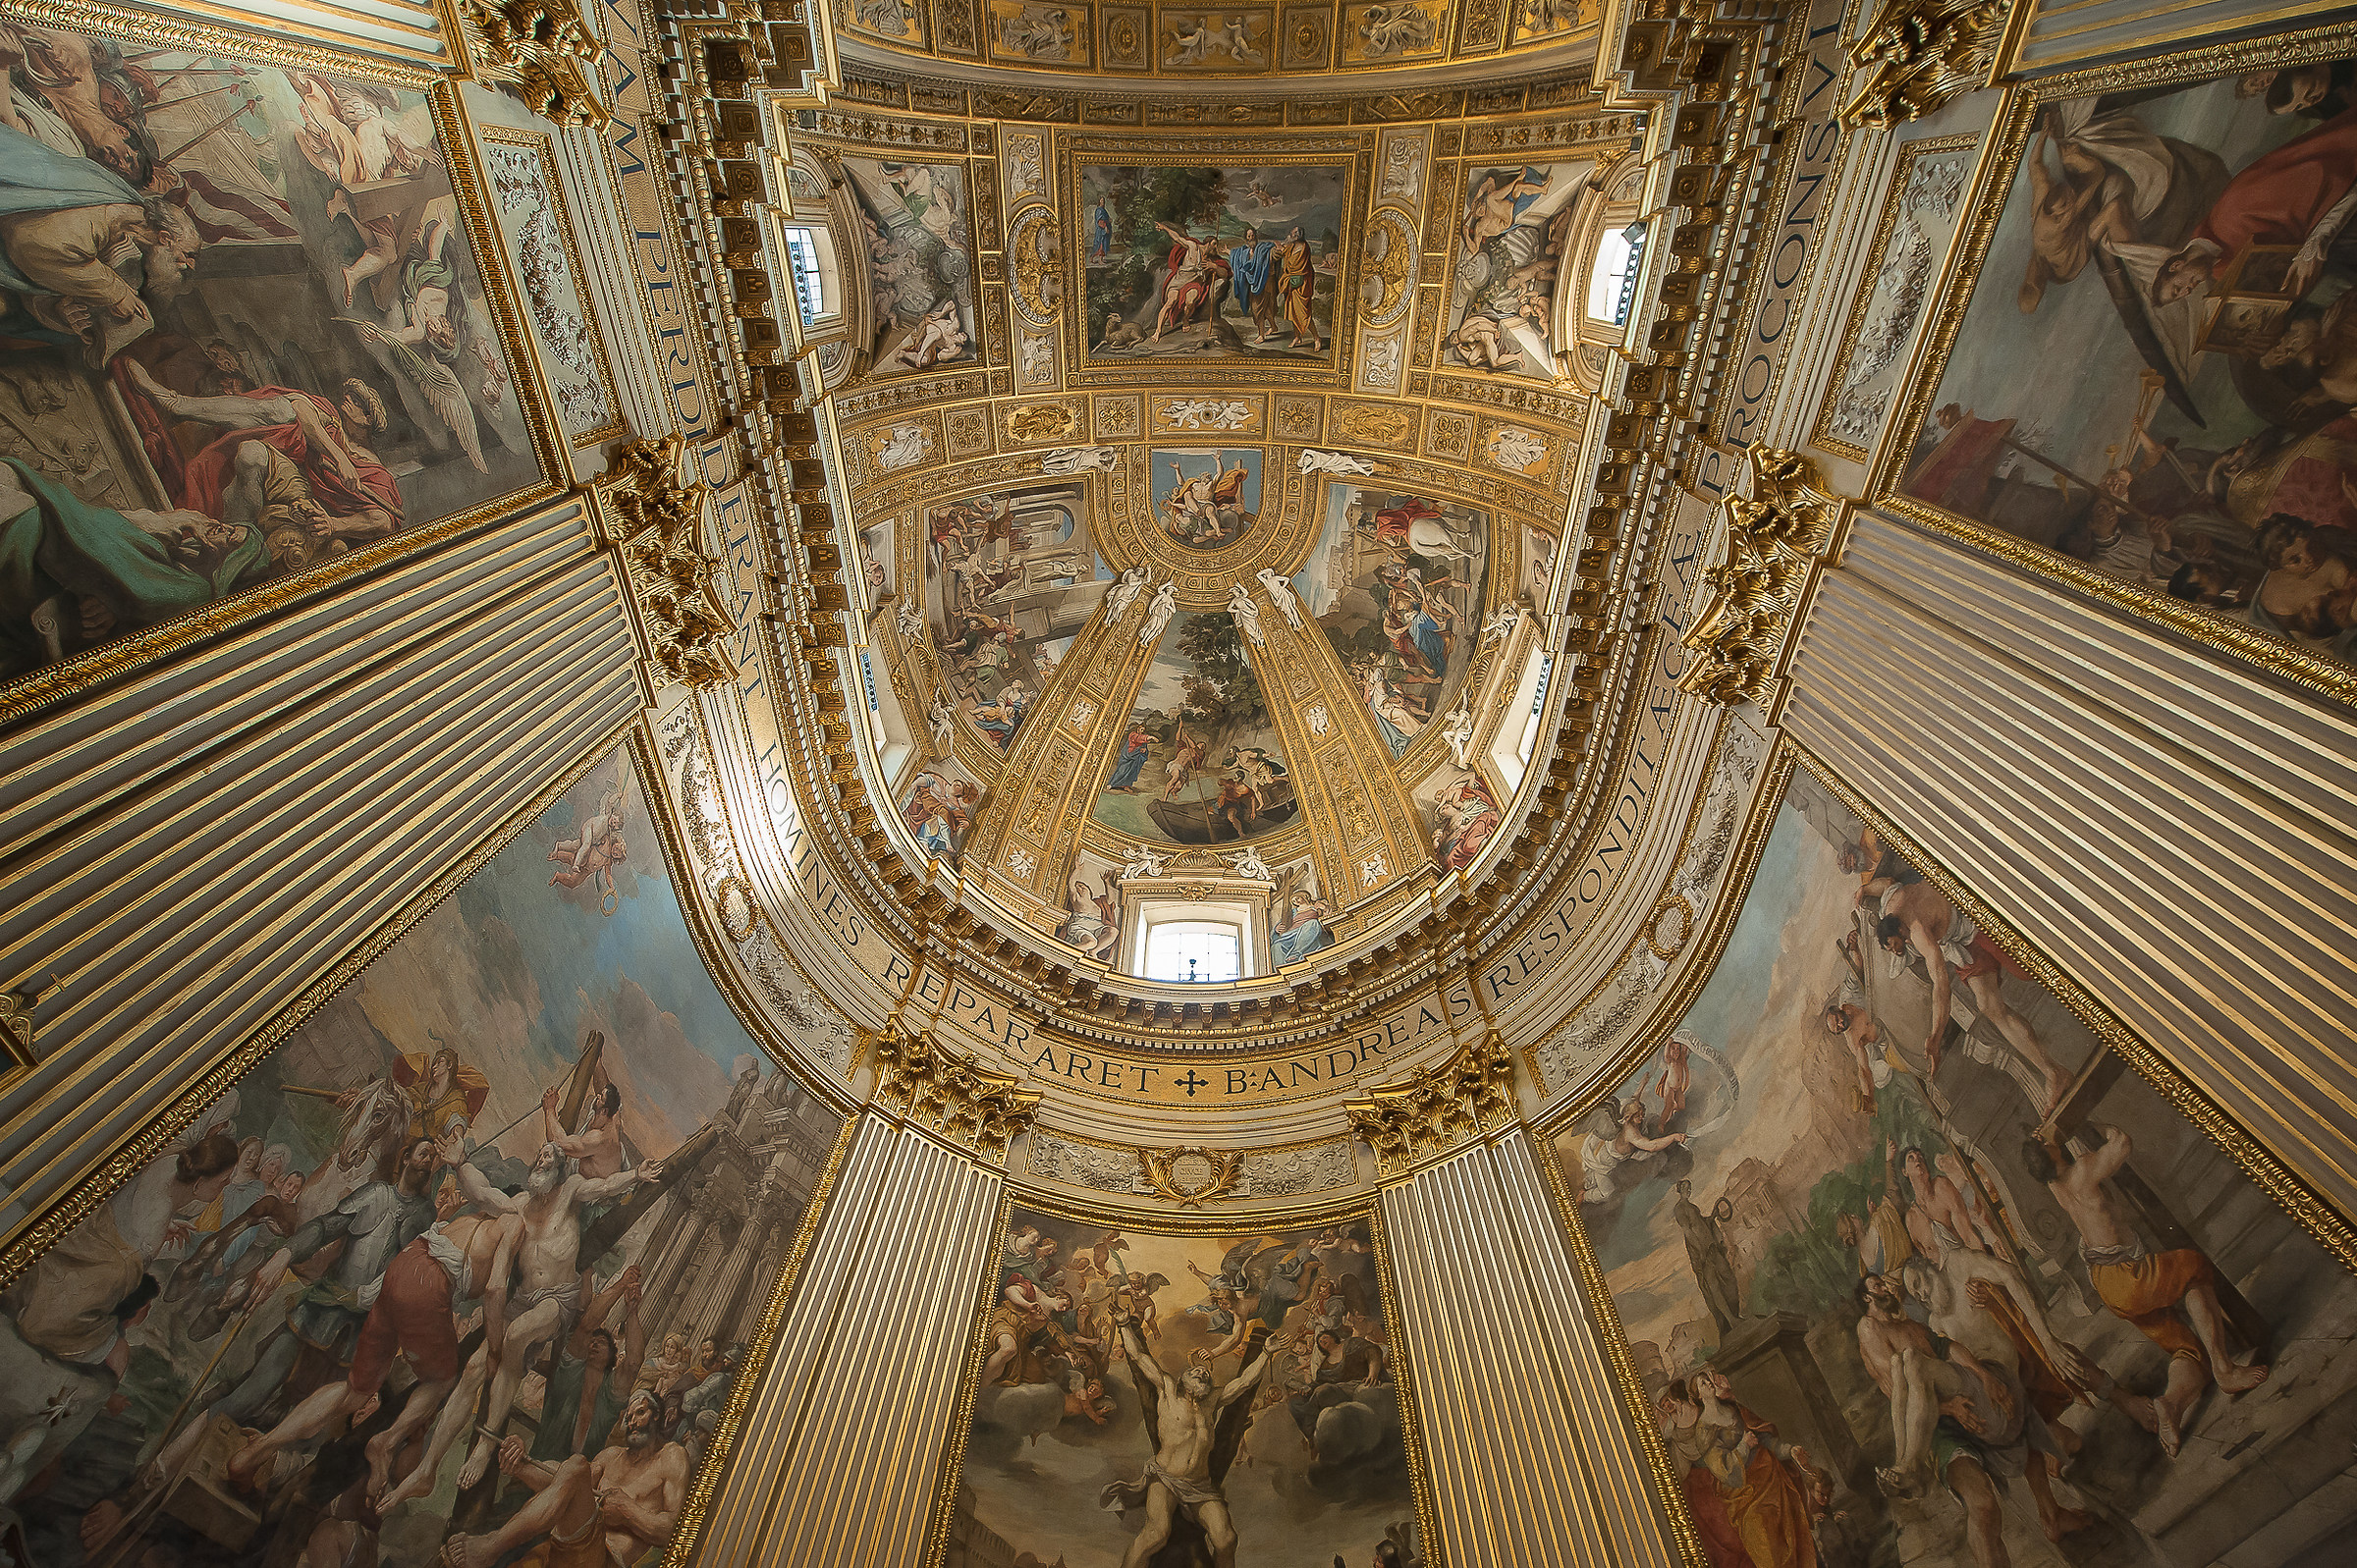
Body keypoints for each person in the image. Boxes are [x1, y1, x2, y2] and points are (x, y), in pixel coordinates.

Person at [375, 1134, 662, 1507]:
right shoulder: (521, 1204)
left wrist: (636, 1175)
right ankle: (426, 1471)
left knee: (516, 1336)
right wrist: (461, 1164)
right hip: (523, 1298)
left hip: (557, 1299)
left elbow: (605, 1186)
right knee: (473, 1370)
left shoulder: (570, 1192)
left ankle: (486, 1442)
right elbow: (482, 1194)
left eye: (548, 1157)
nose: (541, 1162)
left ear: (559, 1168)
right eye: (539, 1157)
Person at [2024, 1123, 2266, 1455]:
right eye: (2046, 1143)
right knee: (2194, 1267)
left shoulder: (2056, 1186)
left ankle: (2170, 1405)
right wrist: (2088, 1124)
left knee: (2188, 1350)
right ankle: (2225, 1369)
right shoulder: (2082, 1171)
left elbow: (2049, 1157)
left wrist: (2047, 1143)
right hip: (2128, 1277)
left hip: (2108, 1285)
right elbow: (2123, 1142)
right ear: (2051, 1153)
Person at [1854, 1271, 2014, 1568]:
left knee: (1909, 1359)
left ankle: (1907, 1466)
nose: (1886, 1288)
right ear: (1867, 1297)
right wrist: (1948, 1408)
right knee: (1983, 1506)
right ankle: (1908, 1466)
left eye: (1885, 1283)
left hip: (1964, 1394)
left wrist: (1983, 1375)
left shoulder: (1910, 1326)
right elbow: (1897, 1395)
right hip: (1933, 1426)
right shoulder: (1869, 1328)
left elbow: (1948, 1348)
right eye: (1878, 1286)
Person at [1876, 880, 2072, 1112]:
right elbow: (1885, 883)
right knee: (1989, 1006)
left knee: (2034, 966)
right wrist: (1862, 890)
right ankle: (2053, 1073)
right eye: (1891, 949)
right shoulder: (1890, 904)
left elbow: (1941, 984)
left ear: (1900, 930)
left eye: (1895, 945)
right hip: (1965, 943)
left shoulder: (1917, 930)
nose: (1897, 951)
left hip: (1976, 919)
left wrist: (1936, 1035)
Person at [1100, 1308, 1271, 1568]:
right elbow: (1138, 1356)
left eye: (1206, 1374)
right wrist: (1123, 1325)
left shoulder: (1211, 1401)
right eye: (1196, 1372)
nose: (1202, 1373)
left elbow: (1245, 1382)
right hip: (1166, 1478)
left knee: (1226, 1539)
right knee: (1155, 1535)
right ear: (1183, 1378)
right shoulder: (1168, 1389)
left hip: (1200, 1485)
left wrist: (1266, 1354)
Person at [438, 1390, 686, 1568]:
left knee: (577, 1465)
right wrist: (521, 1464)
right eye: (629, 1417)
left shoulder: (671, 1456)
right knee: (576, 1466)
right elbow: (562, 1480)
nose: (632, 1423)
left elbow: (674, 1531)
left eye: (640, 1413)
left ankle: (491, 1546)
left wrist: (627, 1510)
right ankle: (492, 1545)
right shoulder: (611, 1456)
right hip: (562, 1546)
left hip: (603, 1558)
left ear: (656, 1415)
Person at [1672, 1180, 1744, 1335]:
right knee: (1713, 1286)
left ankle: (1735, 1314)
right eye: (1686, 1188)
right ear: (1680, 1189)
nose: (1689, 1190)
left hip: (1711, 1246)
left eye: (1690, 1187)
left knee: (1729, 1278)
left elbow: (1700, 1223)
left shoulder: (1692, 1207)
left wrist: (1711, 1218)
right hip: (1701, 1253)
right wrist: (1700, 1251)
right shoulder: (1680, 1209)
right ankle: (1730, 1320)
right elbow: (1688, 1231)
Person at [1151, 220, 1223, 341]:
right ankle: (1158, 331)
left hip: (1193, 283)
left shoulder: (1210, 260)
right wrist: (1164, 228)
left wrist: (1214, 267)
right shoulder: (1193, 247)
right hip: (1179, 280)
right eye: (1214, 244)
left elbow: (1225, 273)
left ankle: (1185, 318)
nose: (1216, 247)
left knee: (1190, 302)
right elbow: (1177, 238)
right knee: (1170, 302)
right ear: (1208, 243)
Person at [1275, 226, 1321, 351]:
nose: (1292, 234)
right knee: (1293, 312)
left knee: (1304, 314)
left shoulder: (1304, 247)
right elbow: (1284, 252)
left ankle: (1317, 338)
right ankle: (1297, 337)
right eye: (1292, 232)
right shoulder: (1292, 246)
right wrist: (1280, 248)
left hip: (1302, 285)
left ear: (1299, 235)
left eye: (1295, 233)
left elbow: (1296, 266)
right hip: (1291, 284)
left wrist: (1284, 249)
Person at [1228, 226, 1278, 343]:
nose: (1251, 238)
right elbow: (1237, 257)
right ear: (1246, 238)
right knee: (1265, 310)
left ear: (1256, 236)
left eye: (1253, 235)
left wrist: (1279, 249)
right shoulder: (1245, 252)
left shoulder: (1263, 249)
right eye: (1249, 236)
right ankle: (1273, 327)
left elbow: (1275, 254)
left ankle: (1261, 335)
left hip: (1265, 283)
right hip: (1254, 284)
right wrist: (1227, 252)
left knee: (1258, 309)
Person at [1106, 724, 1151, 792]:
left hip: (1136, 757)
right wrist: (1150, 737)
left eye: (1143, 730)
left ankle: (1126, 786)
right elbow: (1137, 739)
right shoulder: (1133, 735)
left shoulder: (1143, 738)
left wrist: (1144, 750)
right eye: (1141, 729)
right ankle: (1111, 784)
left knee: (1131, 772)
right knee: (1122, 771)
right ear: (1138, 728)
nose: (1141, 731)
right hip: (1127, 756)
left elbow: (1144, 747)